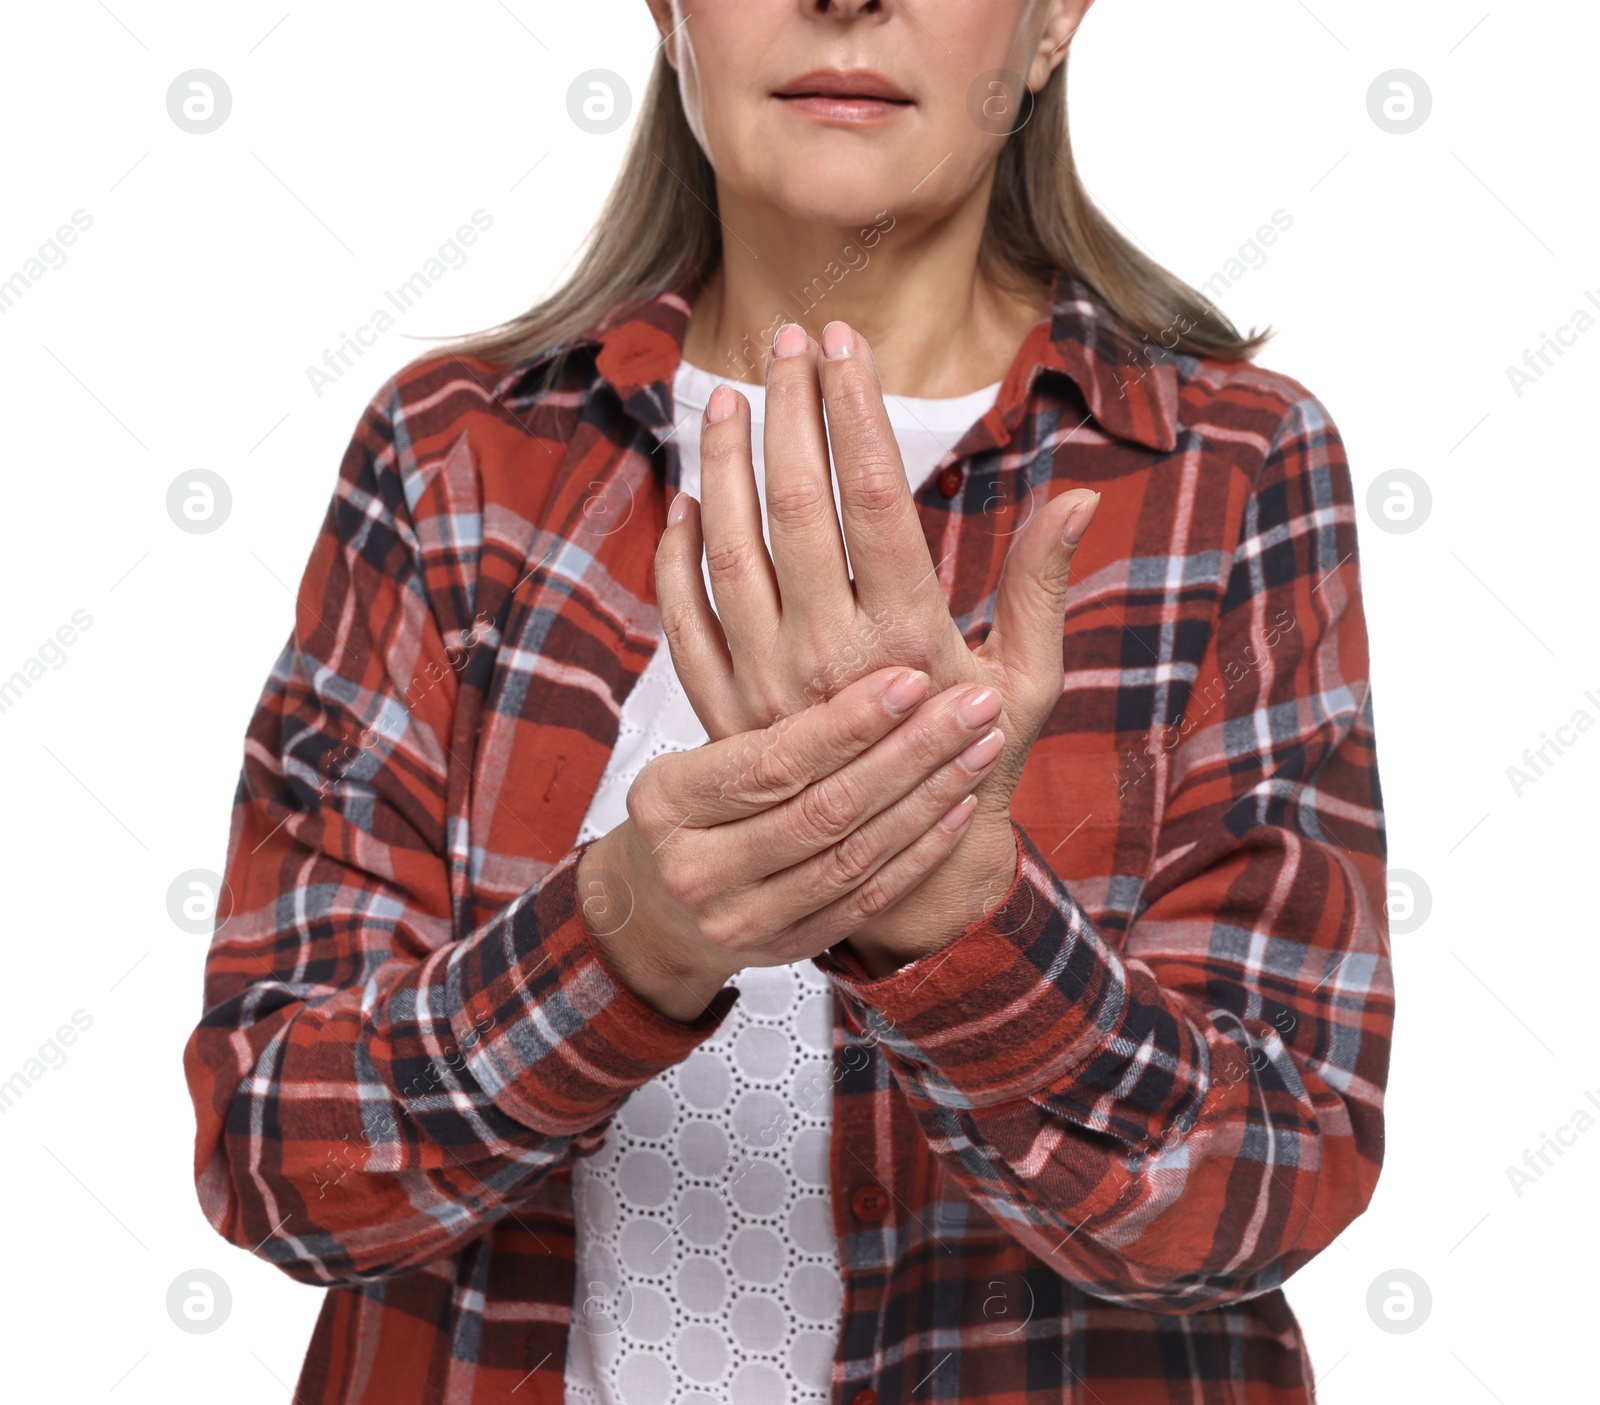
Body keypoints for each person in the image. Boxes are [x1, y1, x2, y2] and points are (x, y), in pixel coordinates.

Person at [184, 1, 1393, 1401]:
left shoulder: (1226, 468)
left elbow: (1271, 1183)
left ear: (1055, 15)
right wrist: (626, 931)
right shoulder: (454, 456)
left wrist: (962, 921)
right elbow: (276, 1159)